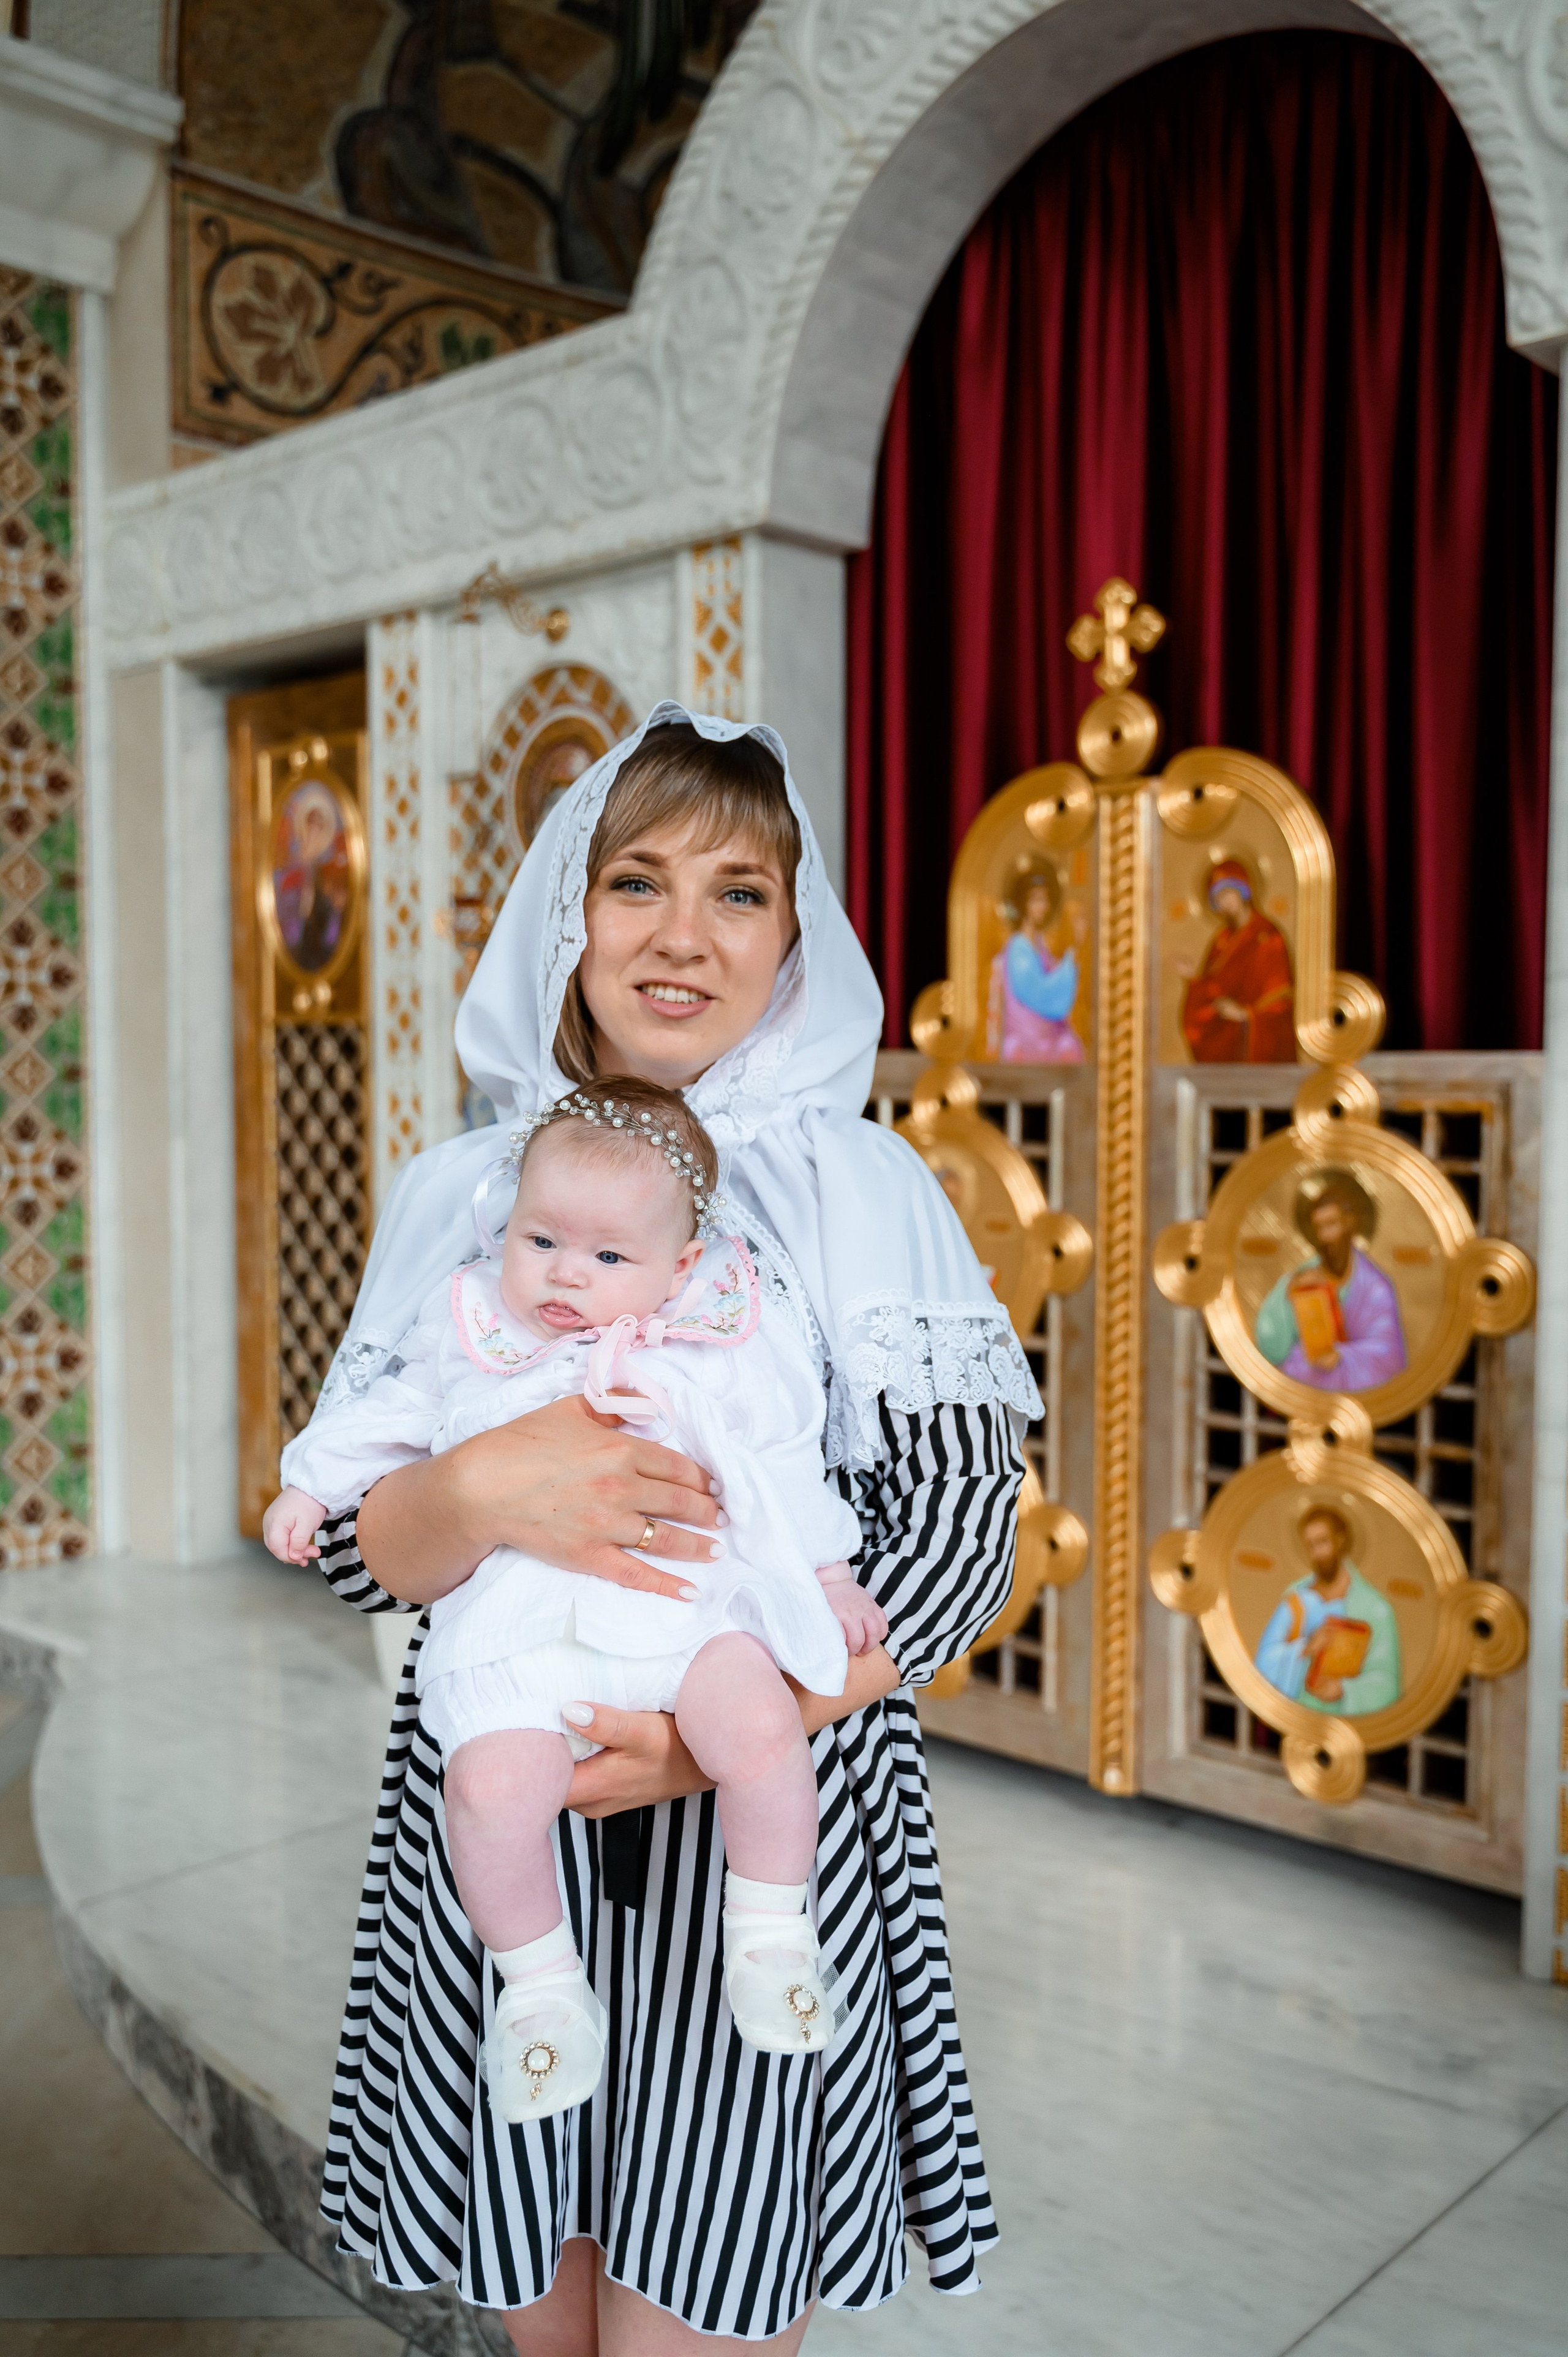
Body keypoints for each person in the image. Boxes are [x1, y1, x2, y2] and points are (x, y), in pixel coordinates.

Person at [304, 705, 1036, 2351]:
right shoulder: (462, 1189)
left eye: (738, 891)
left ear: (795, 935)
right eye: (635, 882)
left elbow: (955, 1542)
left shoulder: (864, 1192)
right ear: (568, 916)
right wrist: (475, 1490)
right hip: (511, 1816)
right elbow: (357, 1546)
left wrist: (704, 1742)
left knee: (692, 2312)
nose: (683, 936)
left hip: (765, 1811)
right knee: (544, 2311)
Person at [264, 1077, 883, 2118]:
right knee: (487, 1791)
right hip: (520, 1629)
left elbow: (778, 1460)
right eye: (541, 1239)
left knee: (762, 1729)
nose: (564, 1273)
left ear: (680, 1267)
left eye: (608, 1258)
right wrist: (310, 1483)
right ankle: (541, 1989)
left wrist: (826, 1573)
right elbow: (389, 1411)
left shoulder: (717, 1340)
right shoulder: (471, 1326)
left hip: (689, 1608)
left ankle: (771, 1930)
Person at [1255, 1168, 1408, 1392]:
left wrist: (1342, 1355)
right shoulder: (1300, 1277)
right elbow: (1270, 1344)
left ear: (1349, 1224)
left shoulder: (1375, 1287)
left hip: (1356, 1387)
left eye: (1331, 1225)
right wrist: (1289, 1294)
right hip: (1306, 1385)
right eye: (1319, 1228)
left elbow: (1388, 1352)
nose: (1325, 1237)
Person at [1254, 1504, 1402, 1714]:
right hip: (1296, 1713)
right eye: (1310, 1545)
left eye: (1323, 1542)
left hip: (1345, 1719)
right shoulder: (1297, 1599)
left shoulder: (1374, 1608)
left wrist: (1343, 1689)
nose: (1317, 1553)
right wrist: (1306, 1647)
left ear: (1340, 1540)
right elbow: (1263, 1661)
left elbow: (1387, 1682)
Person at [1179, 856, 1295, 1062]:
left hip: (1256, 1031)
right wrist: (1194, 980)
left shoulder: (1267, 937)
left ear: (1243, 891)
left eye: (1227, 893)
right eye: (1218, 898)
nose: (1224, 902)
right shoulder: (1223, 939)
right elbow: (1215, 988)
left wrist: (1245, 1014)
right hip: (1228, 1028)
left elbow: (1280, 996)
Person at [985, 865, 1085, 1062]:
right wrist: (1072, 958)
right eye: (1037, 900)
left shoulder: (1038, 943)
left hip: (1046, 1033)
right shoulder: (1018, 949)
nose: (1043, 906)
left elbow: (1050, 979)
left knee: (1071, 1046)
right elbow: (1040, 994)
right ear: (1024, 904)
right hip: (1028, 1037)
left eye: (1045, 900)